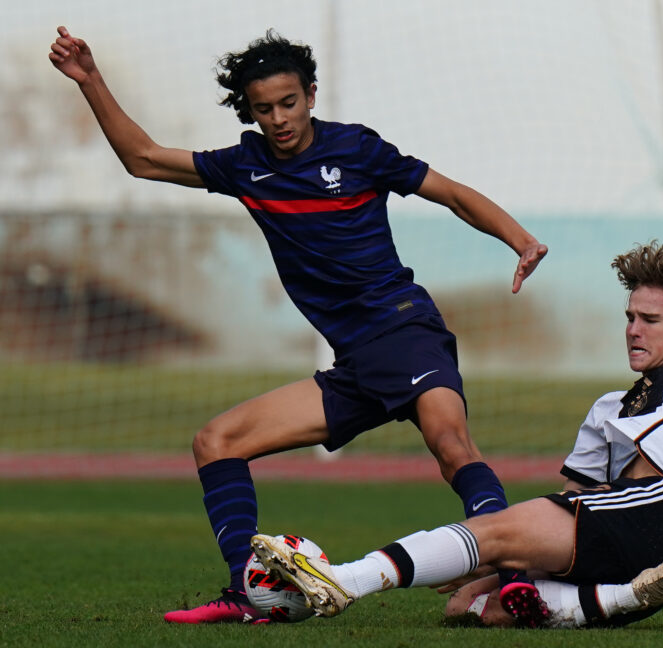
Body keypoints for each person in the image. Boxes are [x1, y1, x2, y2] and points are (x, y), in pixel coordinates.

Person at [48, 26, 548, 623]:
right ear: (250, 111)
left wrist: (519, 239)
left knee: (451, 445)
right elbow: (144, 159)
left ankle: (514, 579)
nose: (280, 119)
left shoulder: (356, 149)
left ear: (310, 95)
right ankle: (248, 591)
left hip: (404, 329)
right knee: (216, 442)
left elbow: (452, 194)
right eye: (265, 109)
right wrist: (90, 80)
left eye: (289, 103)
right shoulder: (246, 166)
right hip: (355, 363)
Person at [250, 194, 663, 628]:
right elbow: (572, 496)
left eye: (649, 320)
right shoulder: (608, 408)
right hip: (622, 538)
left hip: (657, 512)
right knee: (473, 606)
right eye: (629, 317)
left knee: (493, 532)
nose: (633, 329)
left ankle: (342, 580)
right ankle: (626, 597)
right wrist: (498, 564)